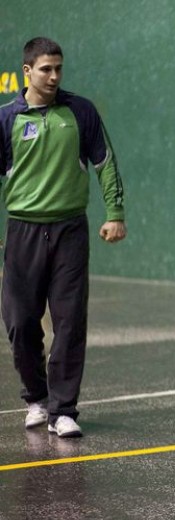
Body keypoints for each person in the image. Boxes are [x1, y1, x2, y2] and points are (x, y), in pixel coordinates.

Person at [0, 37, 126, 438]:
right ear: (27, 71)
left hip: (70, 230)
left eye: (58, 69)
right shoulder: (6, 119)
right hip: (22, 231)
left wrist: (115, 214)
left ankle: (63, 410)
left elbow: (105, 162)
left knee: (70, 321)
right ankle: (37, 399)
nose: (54, 76)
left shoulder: (80, 111)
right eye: (45, 69)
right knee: (20, 322)